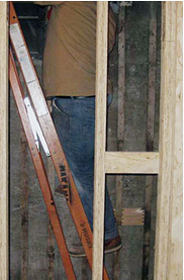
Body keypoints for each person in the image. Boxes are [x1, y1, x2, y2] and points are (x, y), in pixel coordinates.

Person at [35, 1, 122, 254]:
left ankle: (107, 235)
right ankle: (75, 185)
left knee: (84, 174)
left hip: (78, 99)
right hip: (82, 97)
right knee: (82, 170)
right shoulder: (105, 11)